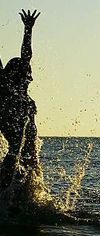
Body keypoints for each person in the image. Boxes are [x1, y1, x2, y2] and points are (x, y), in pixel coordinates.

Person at [0, 10, 41, 191]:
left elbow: (26, 56)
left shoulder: (19, 88)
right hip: (15, 152)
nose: (29, 77)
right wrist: (27, 30)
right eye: (25, 73)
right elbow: (25, 57)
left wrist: (28, 30)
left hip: (25, 151)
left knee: (31, 178)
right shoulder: (5, 87)